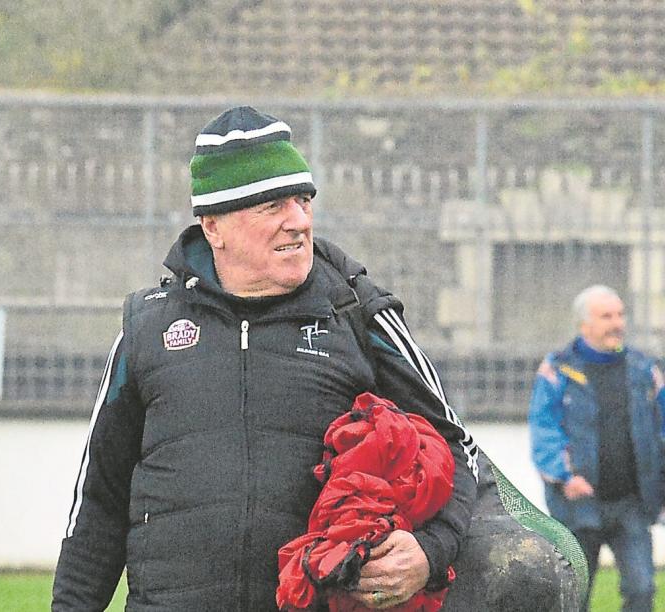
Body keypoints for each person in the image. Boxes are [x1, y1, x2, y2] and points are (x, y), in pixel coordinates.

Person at [51, 105, 480, 611]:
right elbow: (98, 500)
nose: (298, 222)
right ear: (214, 226)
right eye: (272, 207)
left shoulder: (359, 316)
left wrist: (430, 553)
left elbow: (456, 448)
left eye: (302, 201)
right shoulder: (148, 326)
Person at [528, 284, 665, 612]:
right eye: (607, 316)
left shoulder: (645, 369)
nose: (617, 323)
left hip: (631, 502)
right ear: (584, 325)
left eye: (620, 315)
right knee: (573, 596)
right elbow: (543, 429)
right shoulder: (557, 369)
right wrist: (565, 476)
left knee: (642, 589)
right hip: (577, 503)